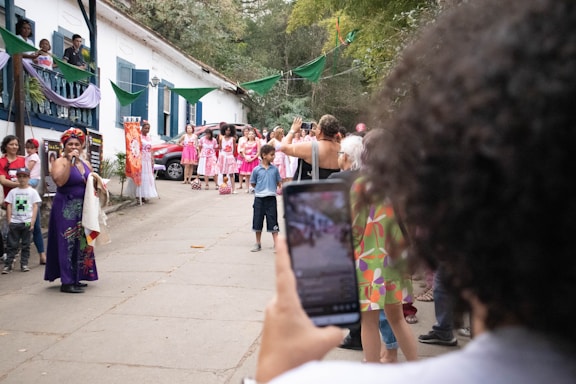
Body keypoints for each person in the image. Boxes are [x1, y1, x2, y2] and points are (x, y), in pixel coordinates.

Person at [251, 0, 576, 383]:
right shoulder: (392, 188)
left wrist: (278, 368)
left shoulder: (351, 185)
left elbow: (344, 231)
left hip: (365, 266)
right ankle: (412, 360)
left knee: (370, 323)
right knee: (395, 319)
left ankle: (374, 370)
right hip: (389, 264)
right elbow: (402, 225)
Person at [45, 128, 98, 294]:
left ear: (82, 146)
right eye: (70, 144)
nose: (74, 146)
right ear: (64, 146)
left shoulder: (85, 163)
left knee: (82, 242)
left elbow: (92, 182)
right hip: (65, 208)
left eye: (77, 144)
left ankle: (77, 277)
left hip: (84, 208)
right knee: (66, 242)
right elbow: (59, 181)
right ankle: (66, 281)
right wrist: (69, 160)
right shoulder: (60, 162)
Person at [2, 168, 41, 274]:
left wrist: (32, 221)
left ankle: (24, 263)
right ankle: (8, 264)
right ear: (17, 178)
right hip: (15, 221)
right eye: (19, 176)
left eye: (24, 176)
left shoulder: (32, 192)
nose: (22, 179)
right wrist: (9, 220)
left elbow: (35, 207)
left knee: (26, 244)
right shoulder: (13, 192)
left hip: (27, 221)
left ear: (29, 178)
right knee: (11, 244)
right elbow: (9, 205)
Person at [279, 115, 340, 180]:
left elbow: (284, 147)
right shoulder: (342, 149)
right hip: (333, 189)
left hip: (308, 188)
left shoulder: (311, 147)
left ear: (320, 130)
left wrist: (292, 130)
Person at [249, 145, 281, 252]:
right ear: (264, 155)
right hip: (259, 199)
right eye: (271, 155)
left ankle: (276, 244)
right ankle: (258, 243)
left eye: (274, 154)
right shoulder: (256, 170)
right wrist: (260, 189)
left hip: (271, 198)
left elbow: (278, 182)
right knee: (258, 220)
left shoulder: (275, 169)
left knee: (273, 220)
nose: (273, 157)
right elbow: (253, 183)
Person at [25, 138, 46, 264]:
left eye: (31, 147)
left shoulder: (33, 157)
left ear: (36, 149)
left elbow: (27, 170)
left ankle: (41, 254)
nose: (29, 150)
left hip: (31, 187)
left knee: (34, 226)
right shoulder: (27, 157)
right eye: (27, 147)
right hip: (22, 199)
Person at [217, 124, 238, 193]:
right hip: (223, 157)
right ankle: (225, 187)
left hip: (230, 157)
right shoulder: (221, 139)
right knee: (224, 173)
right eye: (226, 130)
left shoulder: (233, 139)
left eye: (229, 130)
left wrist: (231, 155)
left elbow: (234, 149)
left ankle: (233, 188)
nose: (228, 132)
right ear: (224, 131)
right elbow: (220, 148)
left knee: (231, 173)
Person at [239, 129, 261, 193]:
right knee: (247, 175)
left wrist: (253, 158)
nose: (251, 135)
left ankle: (255, 187)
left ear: (254, 135)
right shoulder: (245, 143)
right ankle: (247, 188)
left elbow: (258, 152)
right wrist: (245, 157)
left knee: (255, 175)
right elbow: (243, 152)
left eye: (252, 134)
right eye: (249, 134)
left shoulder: (256, 143)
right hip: (246, 159)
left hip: (254, 159)